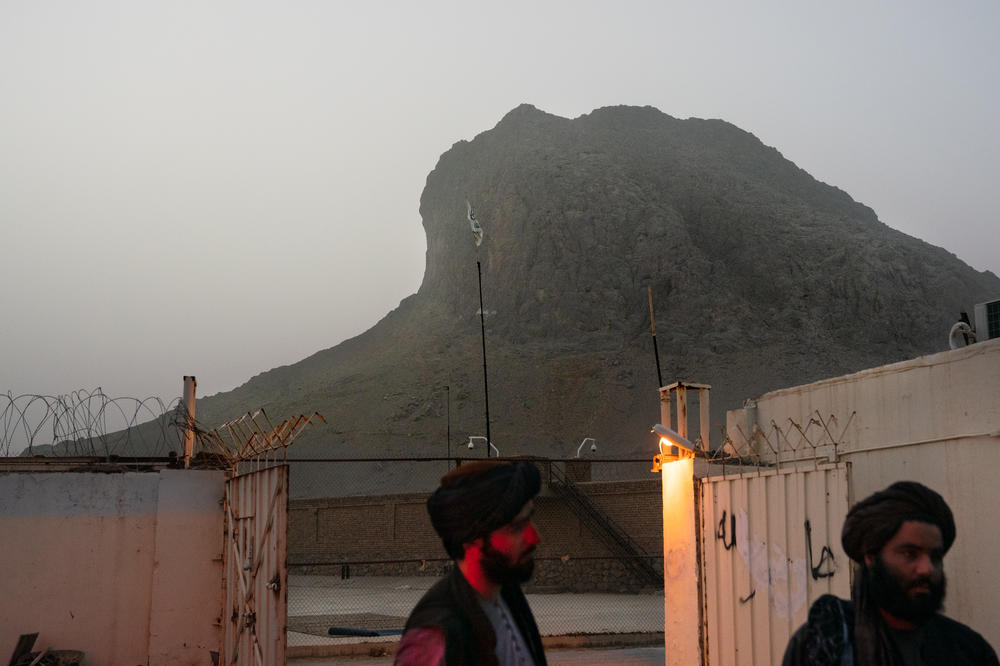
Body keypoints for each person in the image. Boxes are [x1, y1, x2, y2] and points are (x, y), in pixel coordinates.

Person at [782, 480, 999, 665]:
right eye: (910, 554)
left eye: (935, 557)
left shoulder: (968, 651)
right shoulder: (822, 643)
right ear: (871, 557)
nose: (926, 569)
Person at [394, 460, 547, 666]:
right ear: (471, 540)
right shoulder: (434, 637)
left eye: (529, 520)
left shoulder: (507, 594)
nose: (533, 537)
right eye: (516, 528)